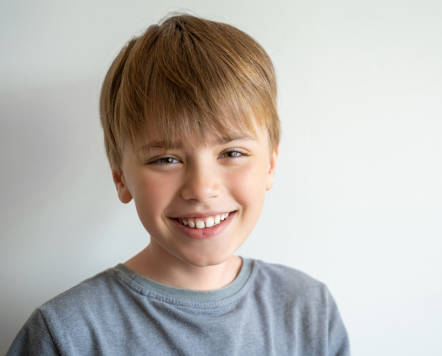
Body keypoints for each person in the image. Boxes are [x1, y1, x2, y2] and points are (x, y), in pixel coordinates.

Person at [8, 13, 350, 355]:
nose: (201, 189)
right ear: (120, 177)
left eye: (231, 152)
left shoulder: (310, 312)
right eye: (166, 159)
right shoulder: (65, 335)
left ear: (271, 163)